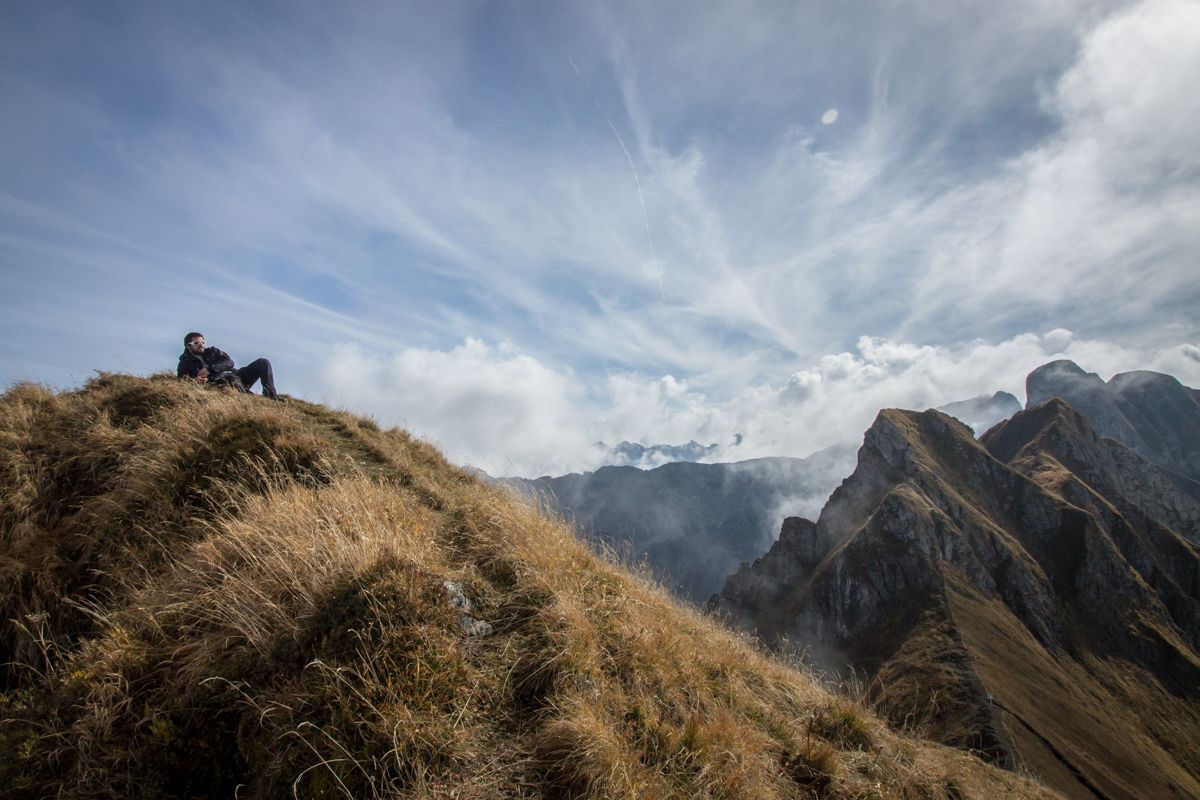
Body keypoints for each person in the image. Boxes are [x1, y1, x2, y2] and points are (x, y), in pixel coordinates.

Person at [176, 331, 282, 400]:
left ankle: (271, 396)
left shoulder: (212, 351)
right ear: (188, 346)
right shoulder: (185, 363)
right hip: (223, 382)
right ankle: (247, 396)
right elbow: (183, 380)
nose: (201, 345)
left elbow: (229, 362)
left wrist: (210, 369)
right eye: (196, 343)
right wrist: (197, 382)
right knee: (230, 379)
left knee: (263, 362)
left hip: (238, 375)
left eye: (203, 342)